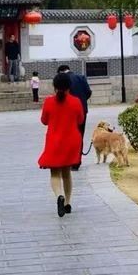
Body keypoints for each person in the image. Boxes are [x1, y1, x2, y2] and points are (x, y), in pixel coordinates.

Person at [38, 72, 84, 217]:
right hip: (71, 141)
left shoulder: (49, 102)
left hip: (54, 141)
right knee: (67, 173)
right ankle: (68, 203)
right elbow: (80, 120)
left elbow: (44, 121)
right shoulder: (76, 101)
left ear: (55, 86)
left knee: (55, 173)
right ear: (69, 86)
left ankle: (59, 196)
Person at [57, 65, 91, 169]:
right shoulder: (81, 77)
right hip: (82, 110)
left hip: (68, 112)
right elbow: (88, 92)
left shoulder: (63, 79)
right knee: (80, 135)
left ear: (61, 72)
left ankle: (70, 160)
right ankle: (77, 161)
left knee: (68, 135)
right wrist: (82, 100)